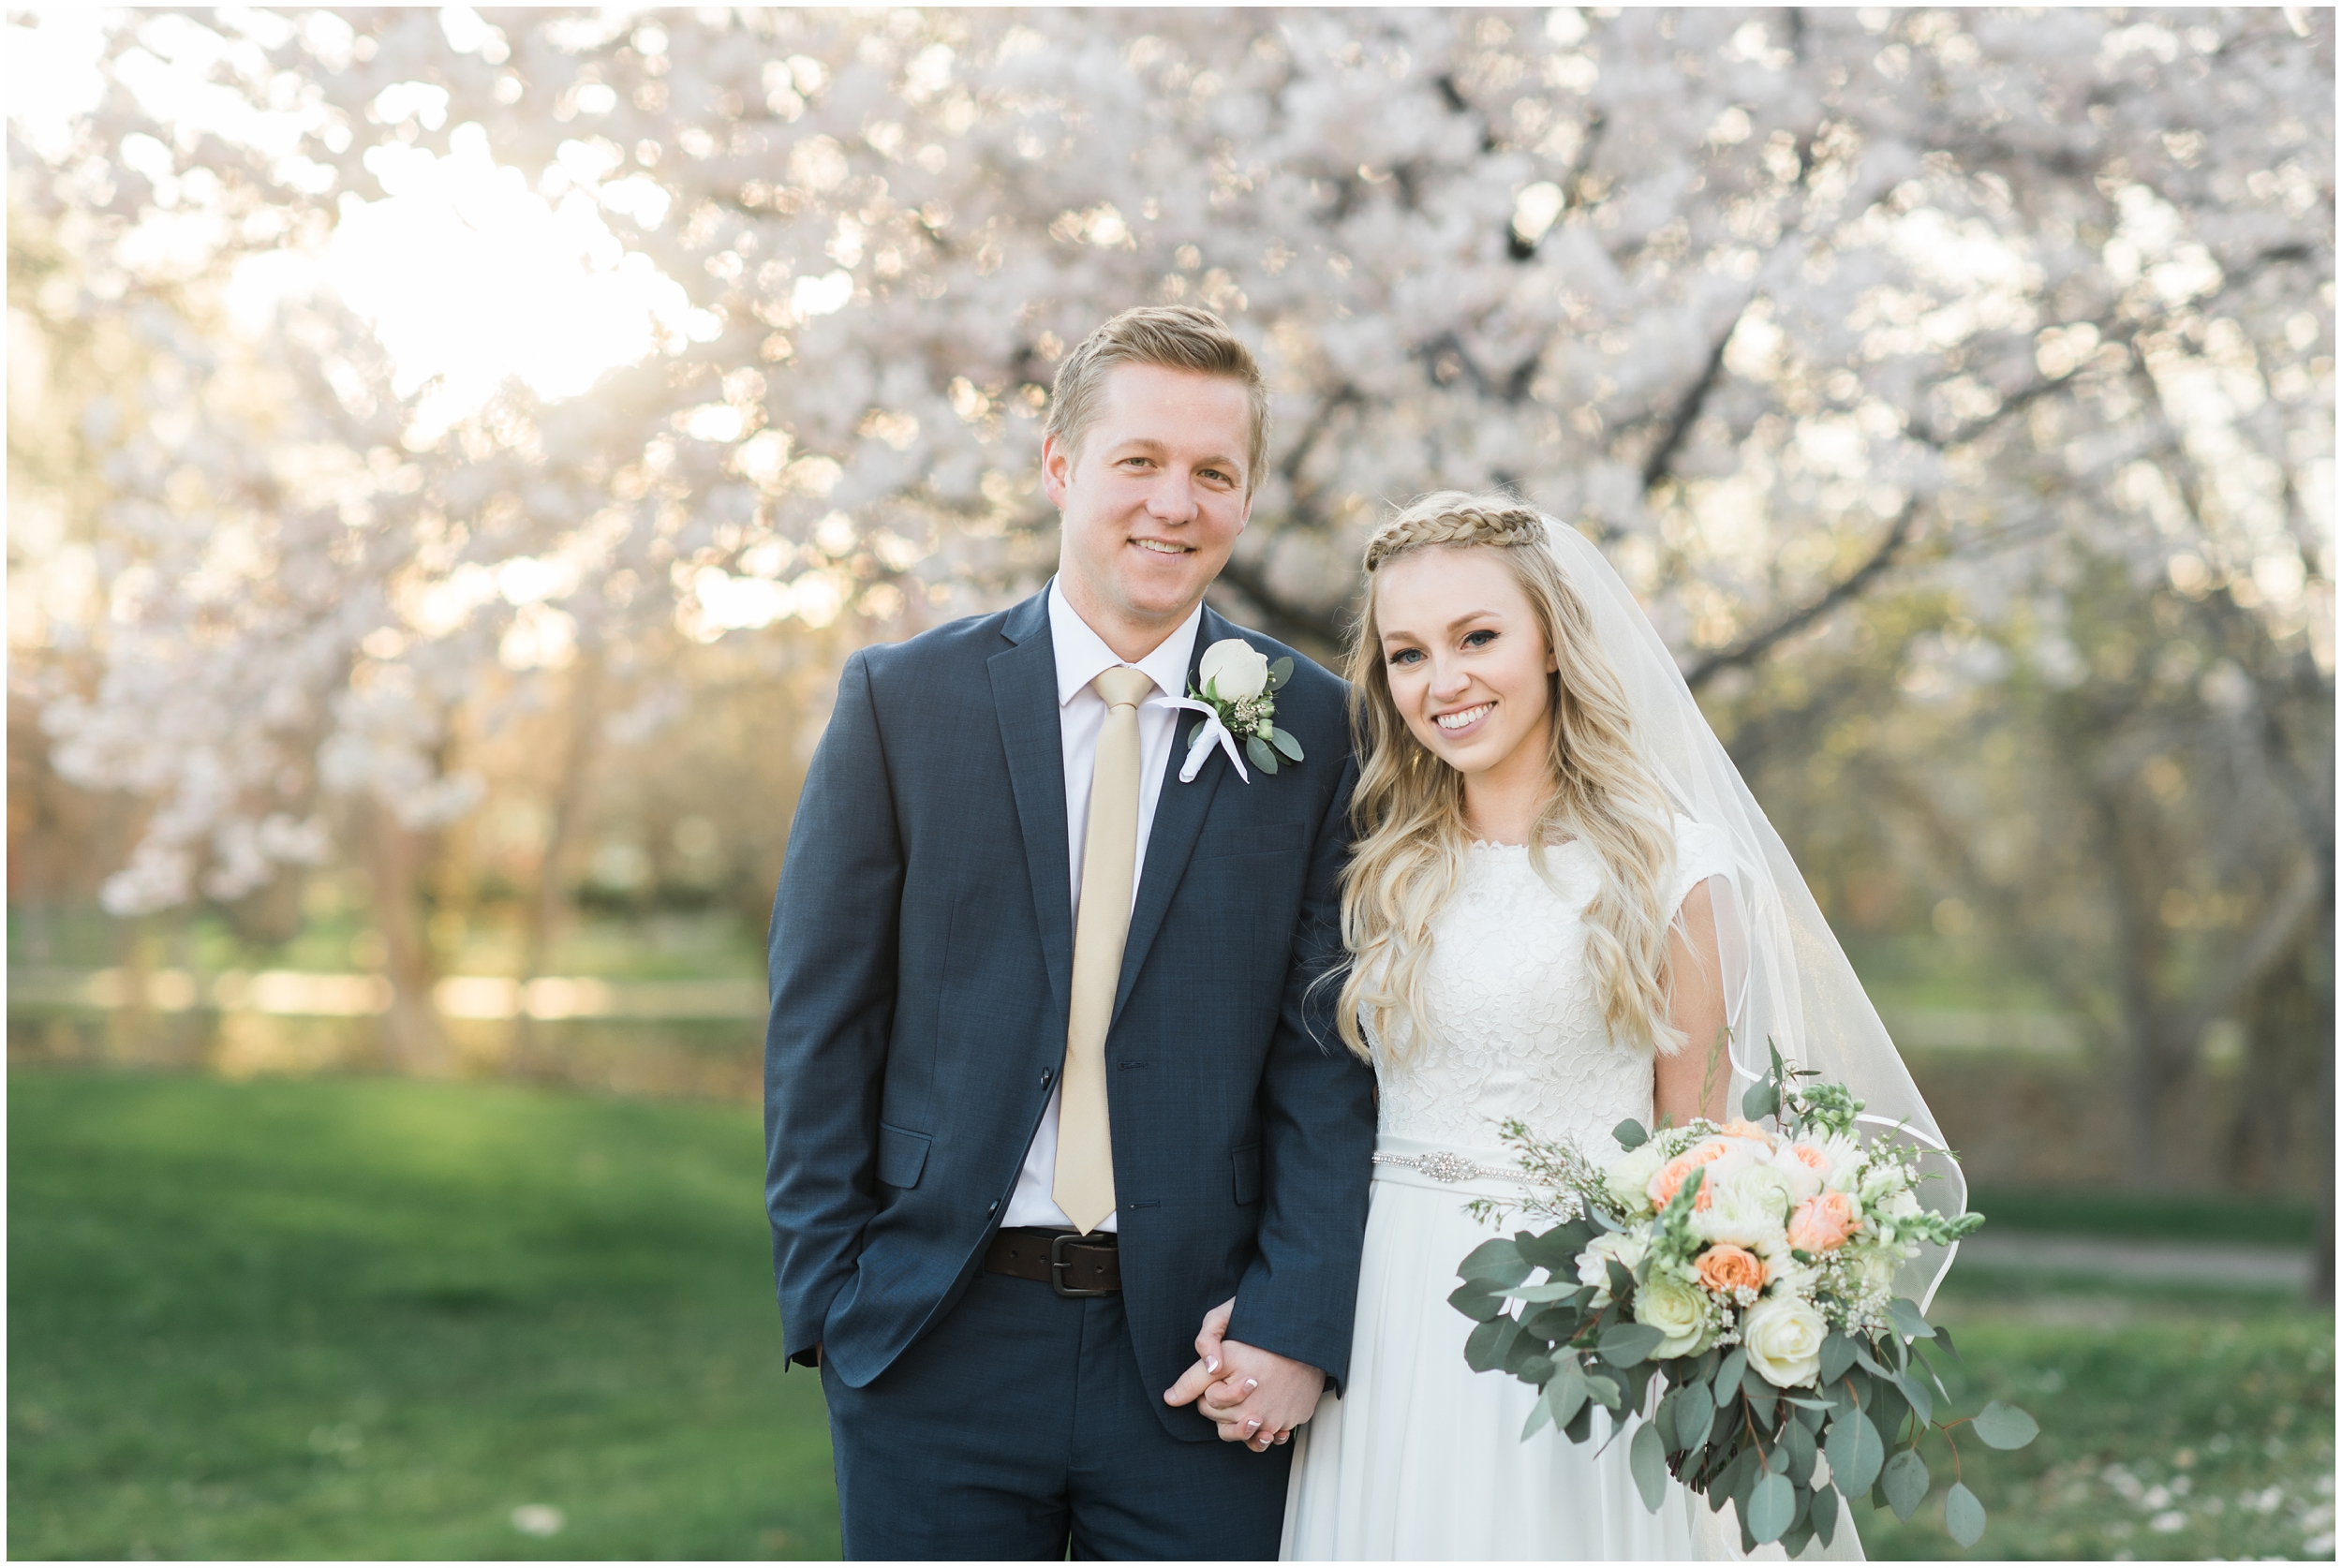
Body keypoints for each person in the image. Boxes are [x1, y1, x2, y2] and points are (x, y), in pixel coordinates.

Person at [763, 304, 1377, 1560]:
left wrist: (1295, 1322)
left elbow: (1327, 1054)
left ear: (1248, 496)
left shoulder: (1314, 726)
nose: (1176, 503)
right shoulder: (903, 702)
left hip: (1204, 1359)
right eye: (1139, 461)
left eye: (1216, 472)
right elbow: (823, 1024)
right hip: (936, 1337)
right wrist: (833, 1303)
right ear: (1060, 466)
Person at [1273, 493, 1955, 1560]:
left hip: (1582, 1321)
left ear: (1552, 643)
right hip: (1389, 1302)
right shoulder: (1377, 864)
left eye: (1478, 637)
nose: (1441, 682)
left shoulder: (1668, 867)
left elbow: (1695, 1143)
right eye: (1406, 655)